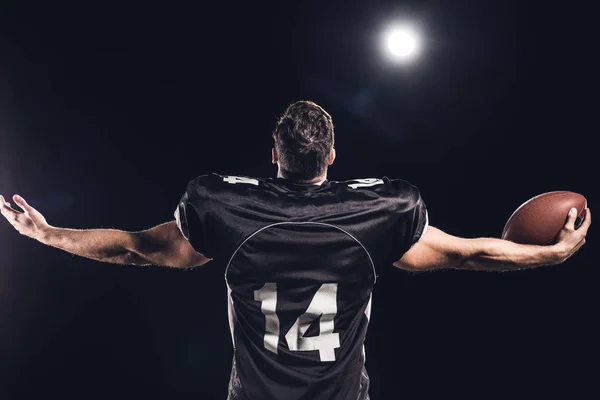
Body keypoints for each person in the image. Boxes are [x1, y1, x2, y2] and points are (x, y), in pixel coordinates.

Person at [0, 100, 591, 400]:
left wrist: (46, 233)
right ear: (332, 157)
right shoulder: (379, 211)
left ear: (273, 155)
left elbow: (133, 249)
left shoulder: (222, 206)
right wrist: (549, 255)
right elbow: (468, 254)